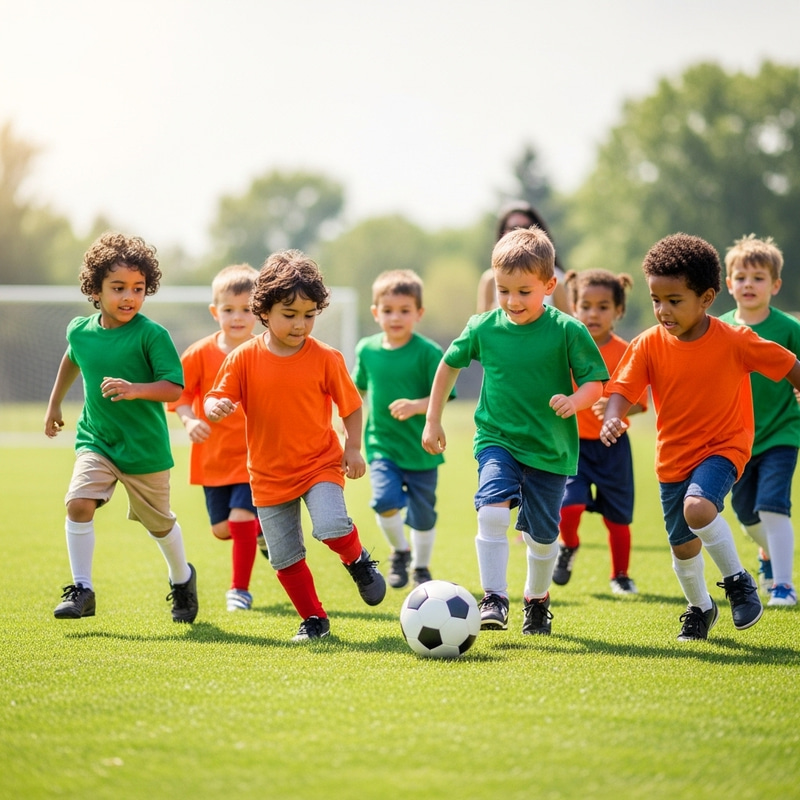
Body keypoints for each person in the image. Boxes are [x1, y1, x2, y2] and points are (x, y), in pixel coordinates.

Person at [600, 233, 800, 641]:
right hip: (673, 458)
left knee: (698, 509)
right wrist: (614, 417)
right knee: (683, 547)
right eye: (657, 300)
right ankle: (700, 608)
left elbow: (788, 362)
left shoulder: (735, 340)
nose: (663, 310)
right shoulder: (649, 344)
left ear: (707, 298)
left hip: (725, 446)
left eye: (675, 301)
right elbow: (622, 388)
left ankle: (739, 581)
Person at [423, 227, 609, 636]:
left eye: (524, 291)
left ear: (549, 285)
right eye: (504, 290)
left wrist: (575, 402)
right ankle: (494, 597)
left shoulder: (567, 330)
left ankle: (536, 600)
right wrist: (433, 418)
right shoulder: (483, 326)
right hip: (497, 439)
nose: (512, 301)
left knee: (542, 538)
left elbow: (597, 383)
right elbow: (448, 365)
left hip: (550, 449)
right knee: (491, 510)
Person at [204, 249, 386, 642]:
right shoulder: (242, 359)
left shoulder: (326, 358)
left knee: (332, 525)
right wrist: (214, 405)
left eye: (309, 315)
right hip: (268, 476)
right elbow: (216, 397)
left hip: (319, 464)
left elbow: (352, 407)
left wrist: (353, 448)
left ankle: (357, 560)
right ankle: (314, 620)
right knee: (285, 556)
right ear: (263, 311)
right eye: (290, 315)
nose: (301, 324)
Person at [44, 232, 198, 623]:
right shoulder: (80, 330)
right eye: (118, 288)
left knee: (159, 525)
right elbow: (72, 359)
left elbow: (173, 388)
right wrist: (55, 403)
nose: (129, 297)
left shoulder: (152, 334)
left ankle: (182, 579)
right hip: (97, 440)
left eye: (138, 288)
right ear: (95, 290)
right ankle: (82, 588)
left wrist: (135, 390)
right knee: (78, 503)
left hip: (144, 449)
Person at [169, 263, 269, 613]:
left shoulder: (266, 350)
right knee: (223, 529)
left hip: (254, 457)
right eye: (229, 310)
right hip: (212, 458)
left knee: (240, 520)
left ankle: (238, 590)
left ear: (258, 311)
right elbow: (178, 395)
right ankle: (262, 531)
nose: (237, 317)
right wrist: (189, 419)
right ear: (215, 312)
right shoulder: (198, 353)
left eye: (246, 309)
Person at [352, 269, 455, 590]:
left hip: (421, 450)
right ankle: (400, 551)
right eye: (388, 311)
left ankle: (421, 568)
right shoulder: (366, 350)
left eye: (404, 310)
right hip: (382, 445)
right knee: (384, 501)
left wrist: (416, 406)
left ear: (419, 314)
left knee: (423, 517)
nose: (395, 317)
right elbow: (357, 392)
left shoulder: (428, 352)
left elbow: (445, 394)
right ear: (375, 313)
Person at [553, 269, 648, 595]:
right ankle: (569, 545)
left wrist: (613, 406)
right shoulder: (565, 344)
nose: (594, 313)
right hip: (572, 444)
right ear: (574, 307)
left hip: (613, 446)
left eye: (603, 306)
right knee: (569, 505)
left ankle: (620, 575)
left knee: (617, 518)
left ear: (618, 310)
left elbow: (639, 402)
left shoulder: (627, 351)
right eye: (586, 305)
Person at [719, 234, 799, 607]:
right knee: (745, 512)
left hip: (782, 432)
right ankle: (770, 554)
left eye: (758, 277)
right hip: (737, 438)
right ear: (728, 283)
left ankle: (783, 584)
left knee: (772, 503)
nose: (749, 284)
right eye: (741, 277)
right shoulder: (718, 328)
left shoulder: (789, 330)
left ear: (775, 284)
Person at [477, 201, 571, 314]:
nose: (520, 232)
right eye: (513, 228)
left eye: (525, 291)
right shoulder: (490, 279)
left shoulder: (558, 278)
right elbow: (482, 324)